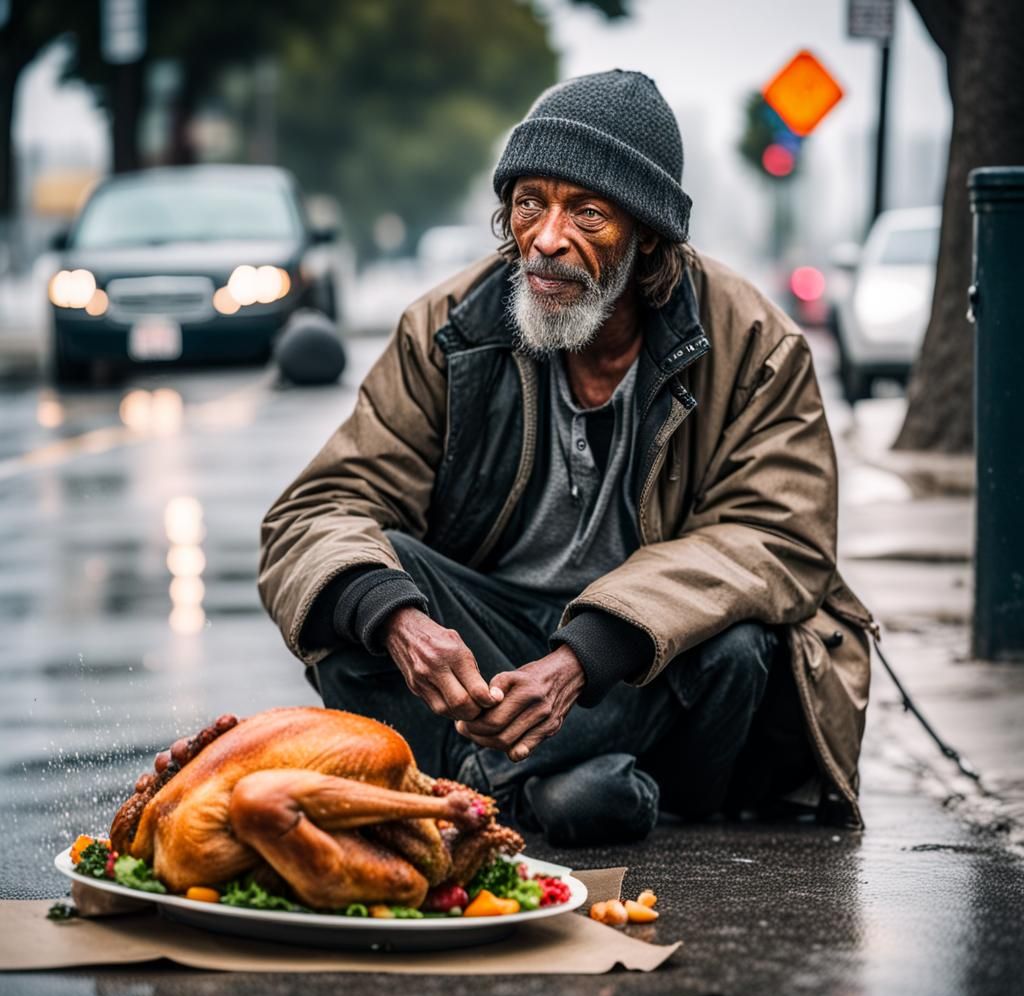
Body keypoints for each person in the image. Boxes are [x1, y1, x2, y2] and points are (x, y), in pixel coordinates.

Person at [258, 70, 874, 847]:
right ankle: (560, 792)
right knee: (365, 594)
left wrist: (585, 656)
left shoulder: (755, 345)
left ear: (649, 233)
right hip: (494, 658)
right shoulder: (450, 328)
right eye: (528, 203)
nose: (546, 238)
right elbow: (320, 508)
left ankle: (476, 794)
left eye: (586, 211)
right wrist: (399, 616)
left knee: (739, 645)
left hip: (638, 668)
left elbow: (780, 540)